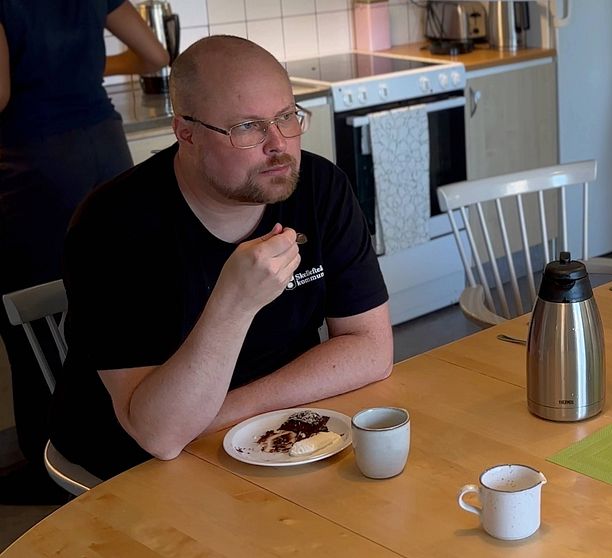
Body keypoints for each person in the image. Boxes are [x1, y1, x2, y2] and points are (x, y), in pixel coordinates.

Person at [50, 35, 394, 479]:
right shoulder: (113, 226)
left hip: (272, 434)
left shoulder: (320, 186)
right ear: (185, 132)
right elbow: (160, 435)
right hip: (133, 468)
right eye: (247, 127)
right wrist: (235, 302)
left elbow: (372, 349)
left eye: (287, 117)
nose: (278, 145)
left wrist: (227, 412)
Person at [0, 1, 168, 500]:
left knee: (30, 322)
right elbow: (154, 55)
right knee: (115, 305)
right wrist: (85, 70)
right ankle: (123, 436)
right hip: (105, 149)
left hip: (36, 162)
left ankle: (52, 464)